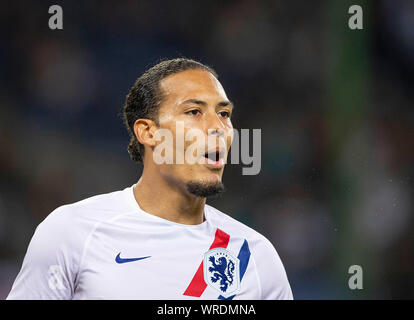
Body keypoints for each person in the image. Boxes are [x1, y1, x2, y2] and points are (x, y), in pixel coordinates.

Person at [7, 58, 293, 299]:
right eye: (194, 112)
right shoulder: (72, 233)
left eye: (223, 113)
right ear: (148, 132)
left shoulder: (254, 256)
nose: (218, 128)